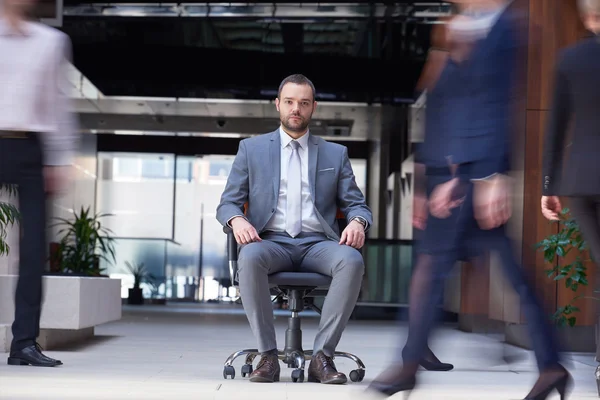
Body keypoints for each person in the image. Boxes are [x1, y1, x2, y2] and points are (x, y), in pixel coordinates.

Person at [368, 1, 571, 399]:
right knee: (500, 271)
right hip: (452, 172)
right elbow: (441, 108)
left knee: (437, 268)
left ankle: (410, 364)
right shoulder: (457, 28)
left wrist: (488, 175)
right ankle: (551, 365)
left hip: (474, 174)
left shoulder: (508, 26)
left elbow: (499, 106)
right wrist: (426, 184)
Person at [216, 74, 372, 384]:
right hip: (270, 241)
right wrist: (237, 220)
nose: (295, 109)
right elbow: (227, 204)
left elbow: (357, 204)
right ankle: (268, 356)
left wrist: (357, 221)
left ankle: (322, 357)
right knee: (250, 256)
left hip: (319, 243)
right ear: (278, 105)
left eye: (303, 103)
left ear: (314, 107)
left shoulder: (335, 154)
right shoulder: (252, 149)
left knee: (352, 260)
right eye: (289, 102)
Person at [0, 0, 78, 367]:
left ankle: (24, 344)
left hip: (32, 146)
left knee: (33, 253)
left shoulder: (50, 41)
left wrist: (60, 158)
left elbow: (58, 103)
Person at [540, 0, 600, 364]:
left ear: (588, 16)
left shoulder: (570, 59)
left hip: (580, 181)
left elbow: (556, 126)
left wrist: (549, 186)